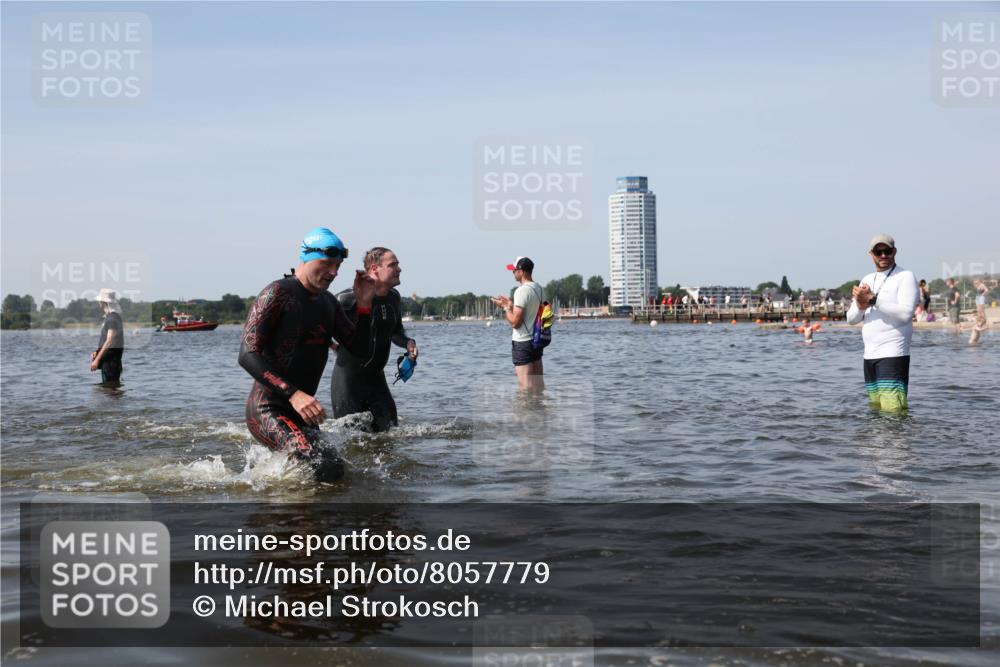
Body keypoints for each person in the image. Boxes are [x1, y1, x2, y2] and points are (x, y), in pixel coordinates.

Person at [239, 228, 375, 482]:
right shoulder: (277, 294)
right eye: (326, 264)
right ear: (306, 257)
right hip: (268, 408)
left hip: (302, 411)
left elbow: (360, 350)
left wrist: (365, 304)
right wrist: (294, 394)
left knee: (334, 472)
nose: (333, 272)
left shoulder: (328, 303)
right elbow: (247, 354)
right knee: (326, 468)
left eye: (338, 265)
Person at [330, 247, 418, 432]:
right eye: (393, 265)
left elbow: (396, 331)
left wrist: (408, 342)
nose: (399, 269)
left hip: (377, 381)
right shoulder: (348, 298)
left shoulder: (394, 297)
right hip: (348, 383)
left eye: (398, 264)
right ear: (374, 268)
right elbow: (316, 324)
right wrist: (334, 346)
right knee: (353, 442)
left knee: (390, 436)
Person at [846, 234, 920, 412]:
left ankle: (899, 440)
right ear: (871, 254)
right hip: (869, 356)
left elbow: (905, 313)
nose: (883, 256)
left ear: (894, 251)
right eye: (878, 252)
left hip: (893, 353)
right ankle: (876, 441)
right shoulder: (867, 279)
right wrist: (861, 305)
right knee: (876, 410)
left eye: (887, 251)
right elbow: (851, 319)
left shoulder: (905, 276)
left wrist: (873, 300)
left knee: (893, 411)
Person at [491, 256, 544, 391]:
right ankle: (540, 411)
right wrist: (511, 304)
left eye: (514, 270)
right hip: (537, 341)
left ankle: (524, 412)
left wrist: (506, 307)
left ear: (522, 271)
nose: (513, 273)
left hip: (523, 343)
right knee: (538, 386)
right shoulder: (539, 288)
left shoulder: (521, 291)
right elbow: (530, 312)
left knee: (525, 388)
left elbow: (515, 323)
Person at [91, 288, 124, 386]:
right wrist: (97, 352)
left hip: (111, 364)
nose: (99, 304)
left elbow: (110, 341)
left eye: (100, 301)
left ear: (104, 303)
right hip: (112, 362)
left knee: (110, 393)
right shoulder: (114, 317)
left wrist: (96, 360)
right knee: (111, 393)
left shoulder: (112, 318)